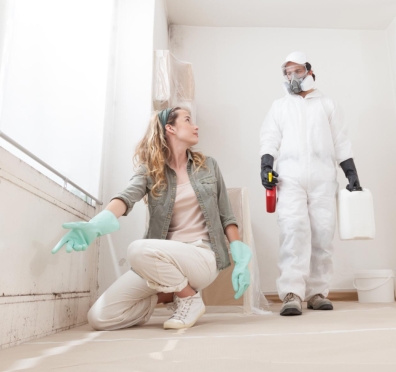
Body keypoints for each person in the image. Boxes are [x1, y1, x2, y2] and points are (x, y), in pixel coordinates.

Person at [52, 107, 252, 330]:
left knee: (137, 250)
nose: (195, 126)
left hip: (202, 255)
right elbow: (126, 197)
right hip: (161, 261)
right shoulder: (150, 170)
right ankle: (171, 295)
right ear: (170, 128)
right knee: (100, 317)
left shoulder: (208, 166)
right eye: (187, 120)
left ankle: (189, 299)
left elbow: (226, 214)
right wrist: (96, 224)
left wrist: (239, 254)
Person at [260, 52, 362, 316]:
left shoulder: (327, 104)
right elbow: (269, 138)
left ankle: (317, 292)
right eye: (288, 73)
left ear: (309, 71)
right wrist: (266, 165)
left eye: (297, 71)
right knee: (293, 231)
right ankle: (291, 293)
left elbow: (341, 141)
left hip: (323, 177)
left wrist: (351, 173)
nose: (293, 77)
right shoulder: (279, 107)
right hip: (289, 178)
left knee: (323, 233)